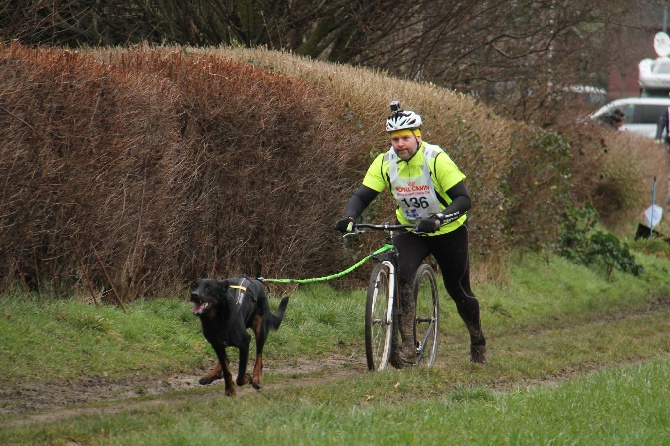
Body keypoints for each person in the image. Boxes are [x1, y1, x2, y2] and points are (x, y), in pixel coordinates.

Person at [335, 101, 487, 366]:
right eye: (394, 140)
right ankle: (407, 344)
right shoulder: (385, 162)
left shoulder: (435, 158)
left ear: (418, 137)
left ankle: (478, 341)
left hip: (448, 231)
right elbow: (363, 195)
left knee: (458, 290)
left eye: (405, 138)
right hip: (410, 229)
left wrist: (438, 217)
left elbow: (463, 199)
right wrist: (349, 217)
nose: (399, 145)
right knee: (401, 272)